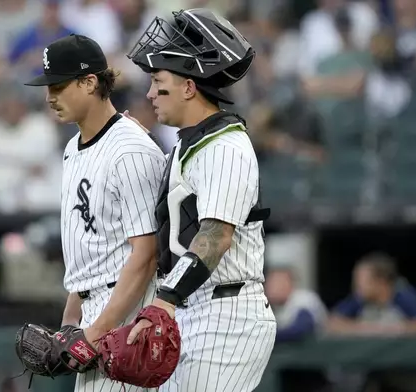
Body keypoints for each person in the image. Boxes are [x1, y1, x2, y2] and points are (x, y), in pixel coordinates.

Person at [123, 9, 276, 392]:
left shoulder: (225, 146)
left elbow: (216, 236)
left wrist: (164, 300)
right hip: (192, 311)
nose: (149, 94)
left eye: (159, 82)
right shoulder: (184, 145)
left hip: (227, 313)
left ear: (189, 88)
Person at [24, 34, 166, 392]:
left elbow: (146, 255)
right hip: (95, 309)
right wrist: (70, 325)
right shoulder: (73, 148)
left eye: (57, 86)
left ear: (89, 82)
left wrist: (97, 331)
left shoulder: (130, 150)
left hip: (128, 312)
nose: (48, 97)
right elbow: (88, 249)